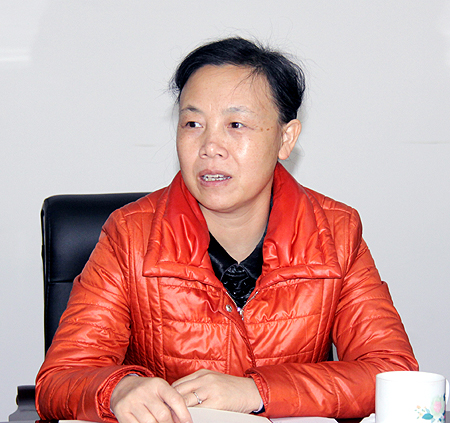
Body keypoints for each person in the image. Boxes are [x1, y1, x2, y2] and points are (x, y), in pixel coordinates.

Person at [35, 37, 418, 423]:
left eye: (236, 124)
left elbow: (392, 373)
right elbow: (60, 379)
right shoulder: (131, 235)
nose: (210, 146)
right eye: (193, 124)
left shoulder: (334, 233)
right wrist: (116, 389)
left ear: (286, 138)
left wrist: (257, 391)